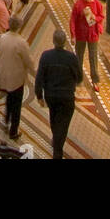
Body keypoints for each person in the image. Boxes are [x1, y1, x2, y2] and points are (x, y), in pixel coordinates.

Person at [35, 28, 83, 159]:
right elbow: (79, 77)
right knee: (63, 123)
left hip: (51, 95)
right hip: (67, 97)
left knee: (54, 118)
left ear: (53, 41)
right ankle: (58, 150)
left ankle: (56, 141)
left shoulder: (46, 56)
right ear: (65, 42)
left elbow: (39, 77)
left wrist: (39, 95)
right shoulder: (71, 58)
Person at [0, 14, 34, 140]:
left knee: (8, 99)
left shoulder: (1, 37)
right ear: (19, 27)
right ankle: (13, 131)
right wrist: (35, 73)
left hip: (3, 75)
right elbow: (29, 61)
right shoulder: (21, 42)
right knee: (16, 105)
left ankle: (6, 121)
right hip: (16, 78)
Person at [69, 0, 105, 90]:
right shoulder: (78, 4)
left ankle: (95, 80)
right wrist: (73, 35)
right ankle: (78, 78)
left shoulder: (97, 4)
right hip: (81, 34)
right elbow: (73, 20)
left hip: (93, 35)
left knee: (93, 57)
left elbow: (101, 17)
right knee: (79, 57)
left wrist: (95, 18)